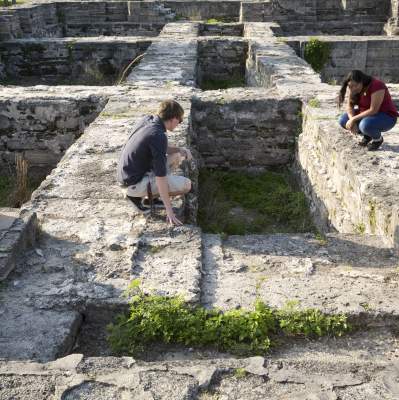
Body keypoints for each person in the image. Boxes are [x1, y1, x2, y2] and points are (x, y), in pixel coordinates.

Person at [117, 99, 192, 226]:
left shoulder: (149, 120)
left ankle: (152, 198)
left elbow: (160, 148)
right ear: (173, 118)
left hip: (129, 173)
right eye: (180, 121)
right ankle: (135, 197)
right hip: (133, 183)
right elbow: (160, 177)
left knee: (176, 156)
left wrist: (180, 149)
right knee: (186, 185)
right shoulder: (158, 135)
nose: (179, 124)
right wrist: (170, 211)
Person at [338, 70, 398, 151]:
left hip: (386, 116)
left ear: (362, 81)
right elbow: (350, 106)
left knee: (364, 125)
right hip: (367, 115)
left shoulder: (377, 85)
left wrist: (353, 120)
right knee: (343, 120)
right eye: (350, 86)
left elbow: (373, 110)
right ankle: (367, 135)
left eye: (356, 85)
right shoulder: (353, 88)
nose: (353, 88)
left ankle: (377, 140)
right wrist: (352, 120)